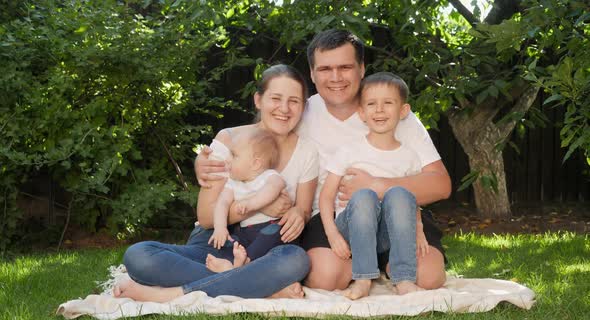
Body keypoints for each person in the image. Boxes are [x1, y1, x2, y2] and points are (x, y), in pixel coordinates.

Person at [113, 64, 318, 302]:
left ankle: (174, 294)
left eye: (294, 101)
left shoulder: (307, 151)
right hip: (215, 243)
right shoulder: (228, 139)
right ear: (258, 100)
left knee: (296, 259)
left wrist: (297, 214)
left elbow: (303, 210)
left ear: (303, 107)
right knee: (139, 255)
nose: (284, 108)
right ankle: (261, 287)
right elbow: (207, 216)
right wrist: (261, 206)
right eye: (275, 98)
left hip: (263, 249)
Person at [295, 29, 451, 291]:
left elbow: (441, 184)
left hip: (398, 215)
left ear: (362, 68)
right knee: (326, 278)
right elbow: (259, 141)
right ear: (312, 73)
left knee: (429, 278)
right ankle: (363, 268)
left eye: (345, 67)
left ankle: (388, 265)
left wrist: (377, 185)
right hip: (336, 218)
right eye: (325, 69)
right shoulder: (301, 113)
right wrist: (217, 150)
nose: (335, 78)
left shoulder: (390, 110)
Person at [319, 72, 432, 300]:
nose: (379, 110)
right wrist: (332, 235)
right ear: (362, 112)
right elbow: (326, 196)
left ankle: (404, 280)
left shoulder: (409, 156)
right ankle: (363, 278)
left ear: (403, 110)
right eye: (371, 104)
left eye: (388, 103)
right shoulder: (348, 151)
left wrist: (419, 230)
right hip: (352, 227)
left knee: (400, 192)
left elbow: (412, 201)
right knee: (365, 196)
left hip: (389, 232)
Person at [206, 128, 288, 272]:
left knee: (274, 234)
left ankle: (243, 263)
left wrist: (251, 204)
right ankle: (234, 263)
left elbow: (273, 189)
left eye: (234, 155)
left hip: (269, 227)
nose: (228, 159)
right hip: (245, 233)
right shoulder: (233, 183)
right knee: (230, 241)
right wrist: (220, 228)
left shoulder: (269, 176)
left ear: (255, 164)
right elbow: (222, 203)